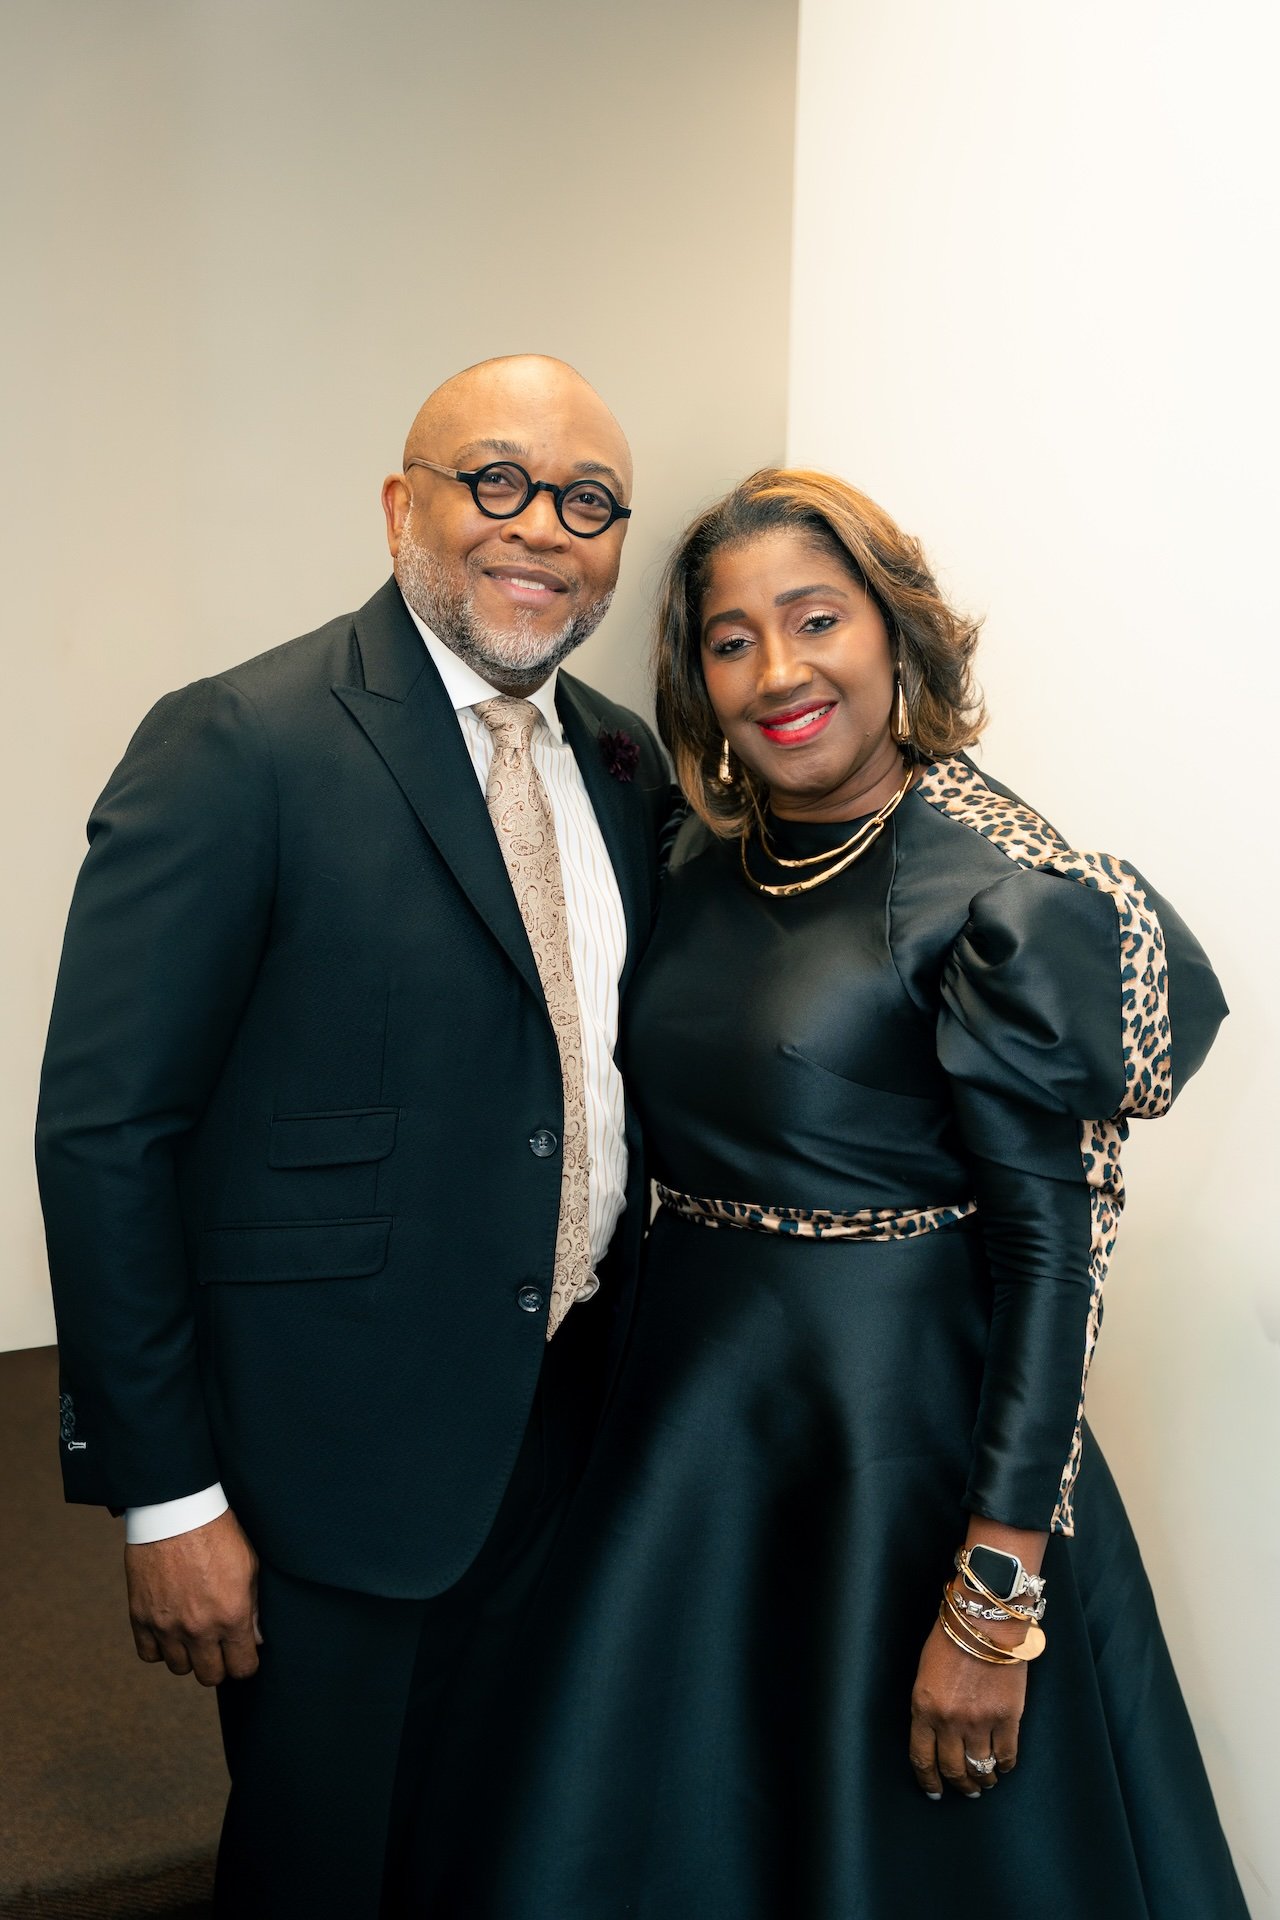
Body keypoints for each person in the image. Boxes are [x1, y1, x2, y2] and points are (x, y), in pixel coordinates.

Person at [416, 468, 1248, 1918]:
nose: (779, 671)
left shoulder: (995, 895)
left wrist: (993, 1610)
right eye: (732, 640)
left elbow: (1059, 1260)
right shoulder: (695, 855)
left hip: (899, 1475)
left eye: (817, 619)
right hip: (677, 1447)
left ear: (895, 634)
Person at [34, 354, 675, 1918]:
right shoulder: (237, 743)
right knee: (325, 1872)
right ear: (405, 504)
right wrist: (165, 1495)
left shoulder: (624, 763)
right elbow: (106, 1131)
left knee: (511, 1848)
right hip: (326, 1476)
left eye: (588, 502)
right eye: (497, 481)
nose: (542, 528)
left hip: (575, 1443)